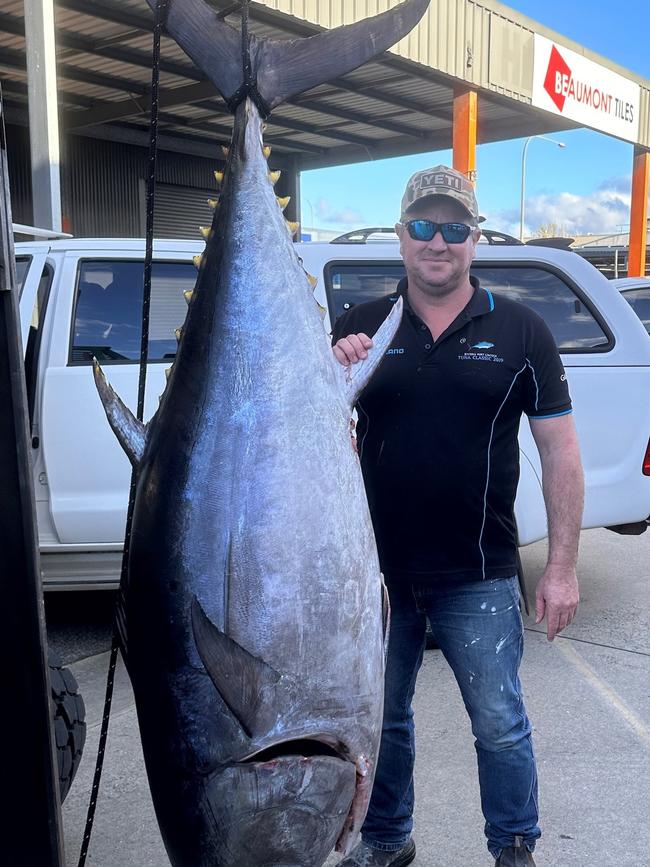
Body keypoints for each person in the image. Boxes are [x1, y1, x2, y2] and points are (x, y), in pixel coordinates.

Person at [332, 166, 584, 867]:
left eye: (453, 227)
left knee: (500, 723)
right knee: (381, 720)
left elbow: (560, 452)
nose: (436, 241)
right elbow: (305, 440)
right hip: (373, 575)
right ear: (400, 236)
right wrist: (329, 373)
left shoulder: (520, 329)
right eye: (422, 226)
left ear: (476, 238)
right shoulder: (361, 326)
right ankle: (386, 838)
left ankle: (512, 846)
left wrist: (562, 567)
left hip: (479, 571)